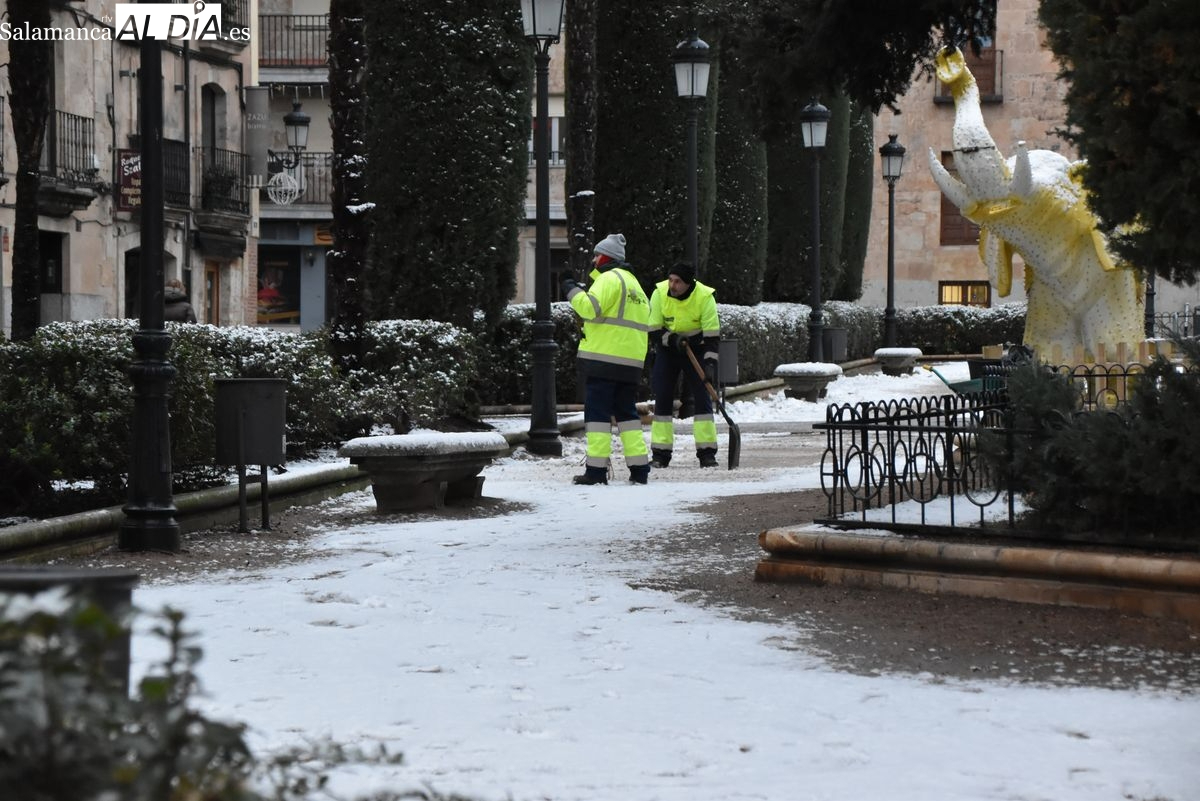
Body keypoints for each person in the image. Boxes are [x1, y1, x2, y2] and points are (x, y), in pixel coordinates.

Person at [560, 233, 652, 485]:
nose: (592, 260)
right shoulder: (634, 285)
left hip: (604, 361)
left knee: (598, 416)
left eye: (595, 255)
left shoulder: (608, 278)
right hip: (630, 363)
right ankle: (640, 468)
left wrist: (570, 289)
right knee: (627, 415)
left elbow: (589, 308)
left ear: (604, 257)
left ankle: (596, 471)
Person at [647, 262, 720, 468]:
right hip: (668, 350)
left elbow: (712, 336)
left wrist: (709, 365)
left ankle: (707, 453)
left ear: (689, 284)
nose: (672, 285)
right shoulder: (659, 293)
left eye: (678, 282)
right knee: (663, 396)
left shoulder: (705, 297)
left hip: (695, 349)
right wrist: (672, 340)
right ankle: (661, 454)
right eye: (671, 279)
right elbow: (653, 330)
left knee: (702, 396)